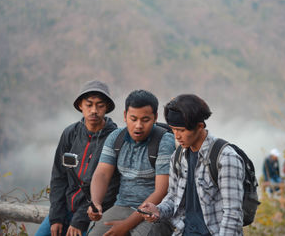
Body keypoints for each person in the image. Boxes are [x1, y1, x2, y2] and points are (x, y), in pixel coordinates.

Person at [140, 94, 245, 235]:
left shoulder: (225, 158)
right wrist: (158, 210)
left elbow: (233, 214)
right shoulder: (178, 157)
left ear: (200, 126)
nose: (176, 136)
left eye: (182, 130)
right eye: (173, 129)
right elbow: (173, 197)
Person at [35, 80, 119, 236]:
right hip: (65, 210)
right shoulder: (70, 134)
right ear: (80, 105)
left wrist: (80, 220)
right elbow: (59, 177)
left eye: (100, 105)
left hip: (93, 214)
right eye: (89, 105)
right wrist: (56, 217)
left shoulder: (114, 138)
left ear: (106, 107)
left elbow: (111, 186)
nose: (94, 110)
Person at [87, 90, 175, 236]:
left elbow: (161, 191)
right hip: (122, 205)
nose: (138, 125)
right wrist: (96, 203)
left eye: (145, 120)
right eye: (133, 119)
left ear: (155, 118)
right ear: (124, 116)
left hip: (153, 212)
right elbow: (102, 173)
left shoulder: (164, 142)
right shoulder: (116, 137)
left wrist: (125, 226)